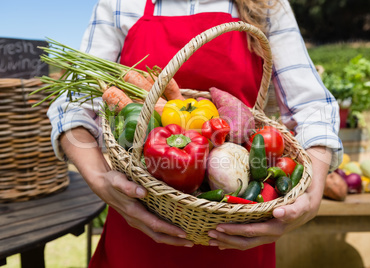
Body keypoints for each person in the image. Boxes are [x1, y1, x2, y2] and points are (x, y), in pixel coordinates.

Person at [48, 0, 343, 267]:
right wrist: (102, 181)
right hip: (138, 229)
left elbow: (312, 106)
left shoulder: (266, 5)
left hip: (239, 238)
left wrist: (314, 190)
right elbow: (71, 108)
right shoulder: (121, 3)